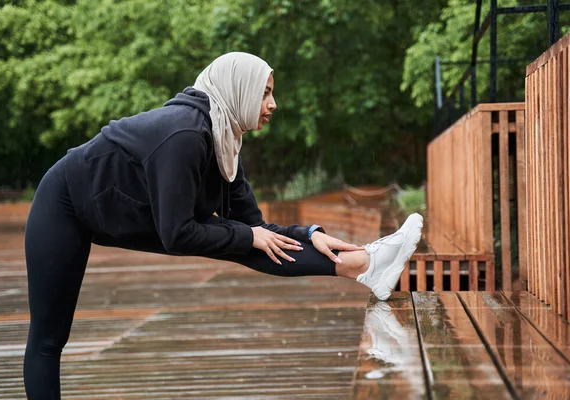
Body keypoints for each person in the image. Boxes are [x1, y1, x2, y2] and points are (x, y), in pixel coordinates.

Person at [22, 52, 423, 398]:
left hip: (127, 213)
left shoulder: (224, 140)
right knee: (49, 337)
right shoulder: (184, 134)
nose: (273, 104)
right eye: (265, 92)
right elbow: (178, 234)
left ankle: (365, 265)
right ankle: (367, 265)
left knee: (253, 241)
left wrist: (310, 234)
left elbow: (255, 228)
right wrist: (249, 235)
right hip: (66, 204)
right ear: (239, 89)